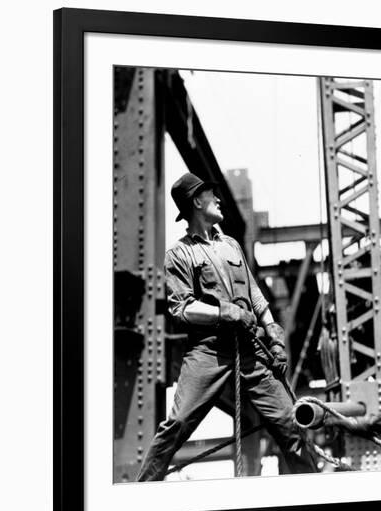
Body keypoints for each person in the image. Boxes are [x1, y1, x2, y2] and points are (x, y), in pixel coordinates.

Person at [136, 173, 317, 481]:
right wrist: (225, 312)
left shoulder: (231, 245)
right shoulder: (179, 254)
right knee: (177, 424)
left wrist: (273, 331)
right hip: (208, 352)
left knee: (291, 423)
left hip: (251, 348)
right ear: (196, 202)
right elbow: (181, 308)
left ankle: (318, 490)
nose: (219, 199)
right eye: (211, 195)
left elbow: (255, 293)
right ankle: (138, 496)